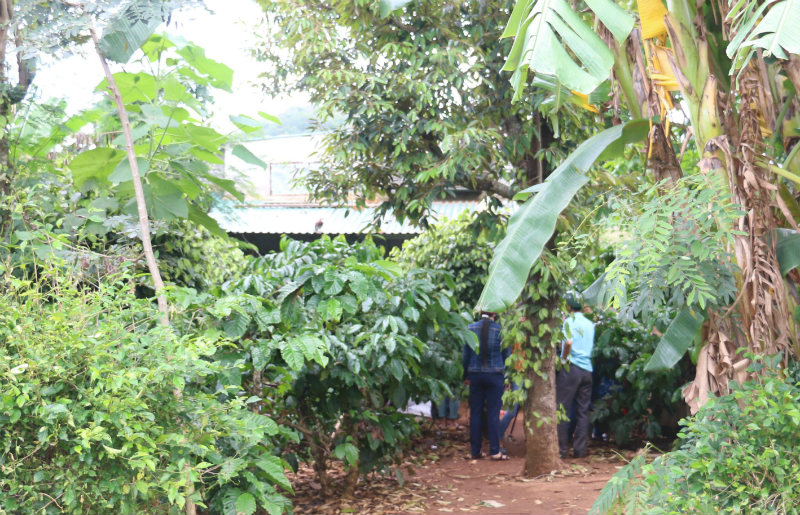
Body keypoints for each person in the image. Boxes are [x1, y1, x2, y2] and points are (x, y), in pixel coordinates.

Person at [463, 311, 510, 460]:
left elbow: (466, 355)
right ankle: (495, 451)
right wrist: (507, 378)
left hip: (475, 375)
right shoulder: (500, 330)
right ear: (494, 314)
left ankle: (475, 451)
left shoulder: (470, 328)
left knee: (475, 413)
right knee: (493, 413)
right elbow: (507, 356)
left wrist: (465, 376)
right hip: (495, 375)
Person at [556, 295, 595, 459]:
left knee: (562, 408)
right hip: (587, 370)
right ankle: (580, 450)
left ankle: (562, 450)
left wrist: (563, 359)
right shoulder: (590, 324)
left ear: (569, 307)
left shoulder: (569, 322)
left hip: (571, 368)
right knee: (583, 411)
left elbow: (568, 343)